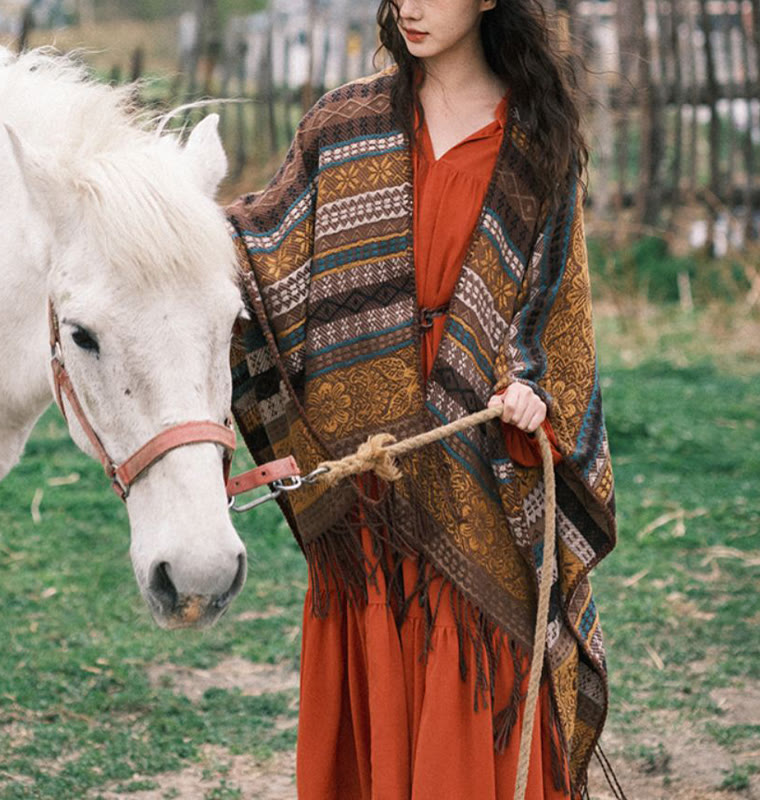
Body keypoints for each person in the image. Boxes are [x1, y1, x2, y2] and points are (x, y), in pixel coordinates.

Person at [226, 1, 617, 797]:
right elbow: (255, 263)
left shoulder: (538, 143)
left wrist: (531, 392)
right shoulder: (342, 126)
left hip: (482, 493)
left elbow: (556, 326)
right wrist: (154, 232)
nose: (409, 3)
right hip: (368, 502)